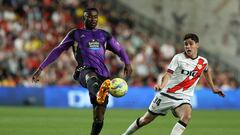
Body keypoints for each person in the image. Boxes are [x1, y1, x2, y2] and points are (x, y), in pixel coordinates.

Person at [32, 8, 132, 135]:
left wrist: (127, 62)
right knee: (90, 77)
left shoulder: (104, 35)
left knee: (99, 117)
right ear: (84, 18)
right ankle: (99, 93)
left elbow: (119, 49)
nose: (93, 19)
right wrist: (41, 68)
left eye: (95, 17)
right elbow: (58, 50)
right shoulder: (75, 33)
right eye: (89, 17)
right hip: (83, 70)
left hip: (103, 75)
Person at [122, 33, 224, 135]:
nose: (188, 46)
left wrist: (213, 88)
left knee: (186, 116)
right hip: (167, 95)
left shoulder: (203, 62)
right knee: (145, 120)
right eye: (185, 44)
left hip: (183, 98)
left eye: (190, 44)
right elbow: (168, 74)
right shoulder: (178, 58)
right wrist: (161, 86)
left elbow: (206, 71)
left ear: (197, 45)